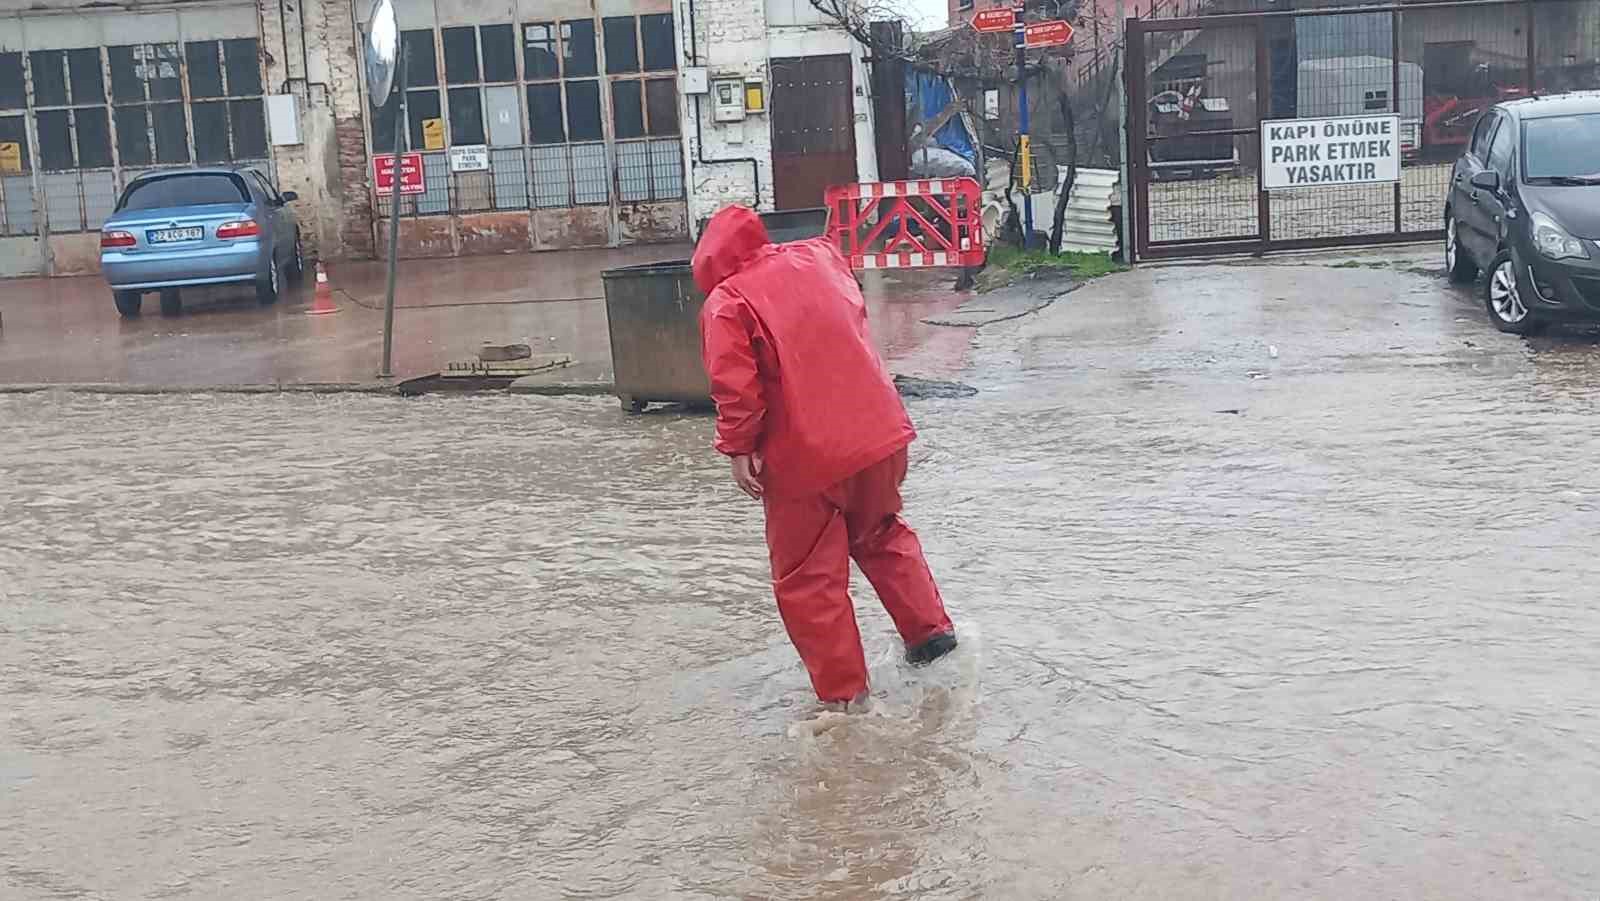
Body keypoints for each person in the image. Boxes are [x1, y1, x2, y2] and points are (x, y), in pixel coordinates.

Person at [692, 205, 958, 706]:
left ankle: (844, 700)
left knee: (809, 579)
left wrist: (738, 446)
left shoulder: (727, 301)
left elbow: (735, 385)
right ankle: (932, 639)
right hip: (880, 434)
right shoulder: (820, 257)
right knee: (882, 532)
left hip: (805, 457)